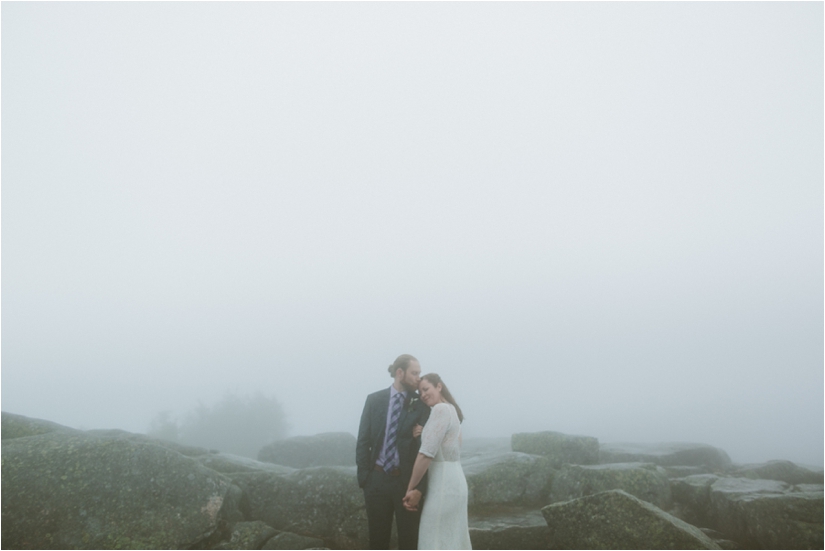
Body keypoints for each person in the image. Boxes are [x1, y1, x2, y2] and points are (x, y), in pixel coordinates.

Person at [356, 354, 432, 550]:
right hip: (377, 482)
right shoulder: (374, 400)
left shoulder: (421, 403)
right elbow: (363, 441)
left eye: (419, 373)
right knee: (378, 542)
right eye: (414, 373)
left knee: (409, 542)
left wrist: (419, 489)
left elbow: (427, 450)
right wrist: (366, 479)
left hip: (408, 483)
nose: (419, 378)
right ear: (400, 373)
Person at [403, 373, 471, 550]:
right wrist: (425, 431)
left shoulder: (440, 410)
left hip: (443, 486)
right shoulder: (451, 410)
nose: (423, 394)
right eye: (420, 392)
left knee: (432, 538)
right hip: (454, 480)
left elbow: (426, 454)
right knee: (451, 539)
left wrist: (411, 488)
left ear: (439, 386)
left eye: (426, 389)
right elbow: (451, 446)